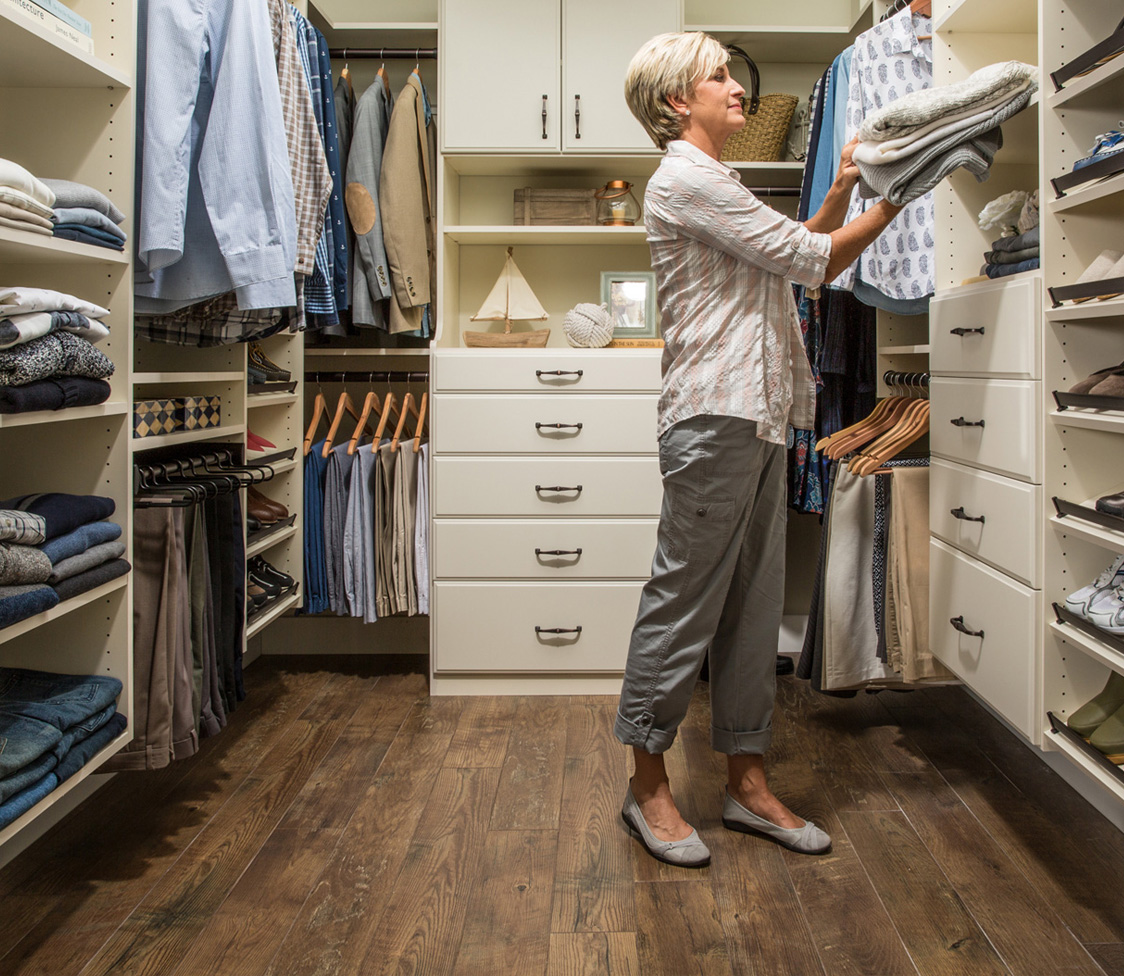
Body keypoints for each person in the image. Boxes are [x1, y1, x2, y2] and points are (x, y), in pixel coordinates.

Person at [616, 31, 904, 867]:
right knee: (682, 604)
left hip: (761, 414)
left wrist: (848, 185)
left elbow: (787, 257)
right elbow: (813, 262)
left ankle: (747, 784)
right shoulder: (686, 178)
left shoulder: (719, 181)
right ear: (679, 100)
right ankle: (647, 788)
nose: (737, 89)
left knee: (750, 606)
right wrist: (901, 193)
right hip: (714, 418)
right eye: (718, 77)